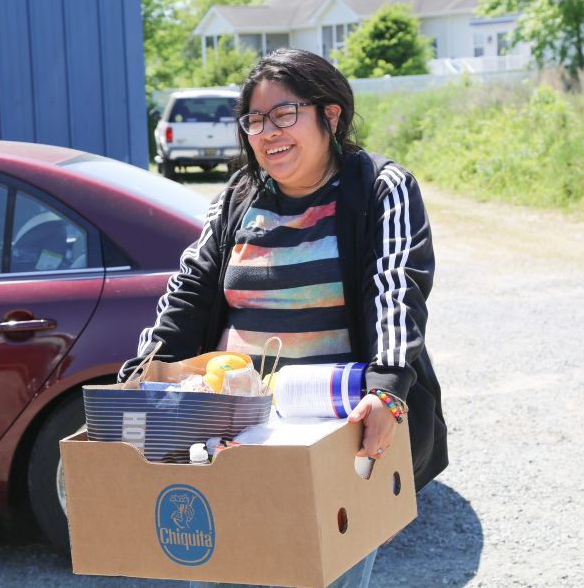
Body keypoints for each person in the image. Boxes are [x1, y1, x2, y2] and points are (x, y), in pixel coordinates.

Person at [121, 48, 448, 588]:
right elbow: (189, 290)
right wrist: (146, 371)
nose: (267, 131)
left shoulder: (380, 189)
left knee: (322, 573)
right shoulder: (238, 198)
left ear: (331, 115)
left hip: (335, 439)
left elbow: (396, 290)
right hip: (232, 440)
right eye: (254, 120)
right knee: (224, 571)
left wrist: (388, 387)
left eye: (284, 114)